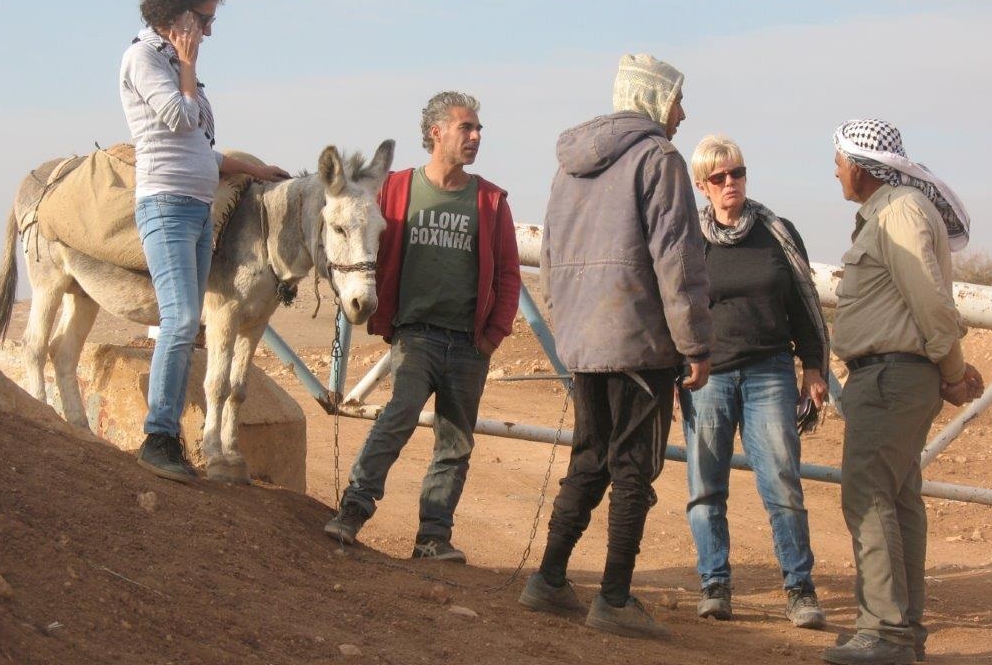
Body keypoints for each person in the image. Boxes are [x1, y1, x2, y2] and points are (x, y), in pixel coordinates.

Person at [518, 54, 713, 639]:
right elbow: (677, 258)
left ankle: (549, 578)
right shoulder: (659, 158)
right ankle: (615, 598)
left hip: (585, 342)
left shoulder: (568, 169)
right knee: (633, 470)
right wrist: (695, 345)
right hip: (640, 343)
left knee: (589, 458)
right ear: (654, 99)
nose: (682, 113)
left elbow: (549, 258)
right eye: (677, 99)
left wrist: (569, 332)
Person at [324, 91, 521, 562]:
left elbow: (509, 273)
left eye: (478, 129)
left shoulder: (490, 200)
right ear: (436, 132)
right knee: (399, 415)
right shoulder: (396, 189)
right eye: (466, 127)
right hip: (416, 335)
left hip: (470, 344)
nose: (476, 136)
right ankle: (352, 510)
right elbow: (354, 229)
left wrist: (493, 335)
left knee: (455, 442)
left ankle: (433, 537)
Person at [120, 0, 289, 483]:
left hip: (194, 206)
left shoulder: (172, 61)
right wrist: (189, 66)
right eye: (205, 18)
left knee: (188, 320)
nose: (209, 31)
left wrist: (252, 169)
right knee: (179, 320)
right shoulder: (144, 57)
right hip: (166, 205)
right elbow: (180, 117)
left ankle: (169, 434)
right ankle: (158, 437)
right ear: (177, 12)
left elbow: (200, 149)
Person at [823, 119, 984, 665]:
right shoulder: (894, 210)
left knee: (868, 495)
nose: (836, 171)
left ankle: (885, 632)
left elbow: (932, 301)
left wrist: (954, 372)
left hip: (891, 377)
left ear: (861, 166)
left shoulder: (899, 212)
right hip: (895, 376)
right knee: (897, 498)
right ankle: (902, 631)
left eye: (839, 161)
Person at [679, 134, 828, 629]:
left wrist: (813, 367)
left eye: (737, 172)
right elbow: (675, 306)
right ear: (701, 185)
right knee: (706, 486)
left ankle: (799, 589)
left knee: (782, 483)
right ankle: (714, 584)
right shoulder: (688, 239)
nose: (731, 183)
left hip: (770, 371)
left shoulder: (777, 232)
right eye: (718, 176)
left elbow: (804, 304)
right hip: (708, 376)